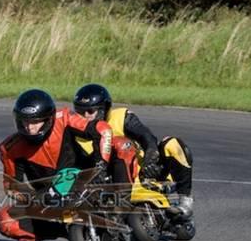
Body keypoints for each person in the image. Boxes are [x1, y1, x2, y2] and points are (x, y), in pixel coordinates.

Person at [0, 88, 115, 241]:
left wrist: (101, 165)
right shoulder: (10, 148)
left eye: (35, 122)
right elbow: (12, 187)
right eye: (25, 121)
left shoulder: (64, 119)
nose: (29, 128)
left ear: (48, 119)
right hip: (49, 196)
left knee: (120, 145)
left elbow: (103, 130)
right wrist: (33, 199)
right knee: (5, 221)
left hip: (84, 176)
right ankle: (65, 231)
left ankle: (120, 205)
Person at [73, 83, 194, 219]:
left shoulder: (120, 117)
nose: (85, 116)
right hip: (110, 181)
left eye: (90, 111)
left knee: (172, 144)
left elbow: (147, 136)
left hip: (144, 170)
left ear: (103, 109)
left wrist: (150, 159)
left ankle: (185, 199)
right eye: (80, 112)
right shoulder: (74, 133)